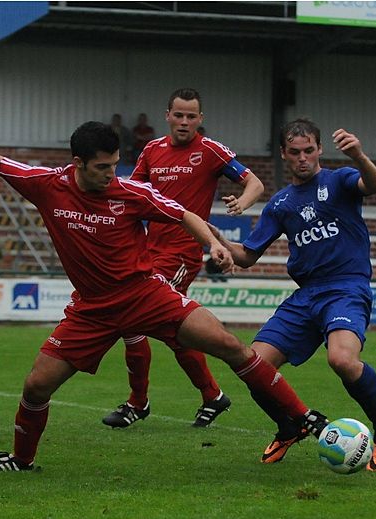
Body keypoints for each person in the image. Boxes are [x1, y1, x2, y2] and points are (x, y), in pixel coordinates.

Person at [0, 116, 329, 472]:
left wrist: (214, 244)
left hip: (144, 294)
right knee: (36, 387)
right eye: (101, 168)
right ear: (77, 164)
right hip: (91, 310)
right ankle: (20, 461)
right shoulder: (47, 185)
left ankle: (299, 416)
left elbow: (183, 213)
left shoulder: (130, 192)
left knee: (228, 344)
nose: (111, 174)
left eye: (115, 165)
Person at [211, 118, 376, 471]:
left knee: (342, 360)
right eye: (294, 152)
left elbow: (374, 185)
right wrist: (216, 240)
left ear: (319, 150)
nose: (302, 158)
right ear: (284, 154)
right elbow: (248, 256)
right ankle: (289, 426)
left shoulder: (339, 180)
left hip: (346, 287)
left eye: (309, 151)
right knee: (253, 366)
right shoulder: (280, 204)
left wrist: (358, 155)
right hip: (306, 296)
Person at [102, 88, 265, 429]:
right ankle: (211, 396)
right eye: (179, 115)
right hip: (146, 253)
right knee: (174, 331)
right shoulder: (152, 150)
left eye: (192, 116)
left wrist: (243, 203)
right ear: (168, 115)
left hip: (181, 255)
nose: (185, 122)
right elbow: (131, 194)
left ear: (200, 120)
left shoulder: (209, 150)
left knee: (141, 322)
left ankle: (139, 402)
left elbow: (254, 182)